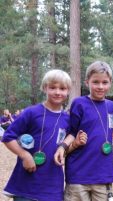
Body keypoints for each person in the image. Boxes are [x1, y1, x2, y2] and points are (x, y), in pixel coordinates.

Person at [1, 69, 72, 201]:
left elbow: (72, 135)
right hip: (26, 184)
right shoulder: (31, 112)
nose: (57, 92)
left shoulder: (67, 119)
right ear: (45, 88)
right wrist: (25, 155)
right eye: (52, 87)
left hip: (53, 187)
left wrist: (63, 147)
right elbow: (8, 137)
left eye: (62, 88)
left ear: (68, 91)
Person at [57, 61, 113, 201]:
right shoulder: (79, 103)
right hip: (78, 174)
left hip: (103, 175)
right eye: (95, 82)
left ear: (110, 83)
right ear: (87, 82)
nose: (100, 86)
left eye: (105, 82)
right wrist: (65, 146)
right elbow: (71, 132)